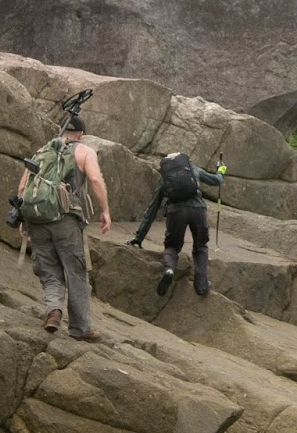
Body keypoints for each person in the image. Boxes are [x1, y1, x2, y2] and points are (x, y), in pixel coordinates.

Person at [18, 114, 111, 342]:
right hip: (66, 219)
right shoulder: (84, 151)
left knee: (49, 271)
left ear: (61, 131)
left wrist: (25, 219)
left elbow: (23, 186)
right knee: (76, 272)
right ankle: (81, 328)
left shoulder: (42, 151)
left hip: (38, 220)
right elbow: (96, 181)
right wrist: (105, 210)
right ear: (80, 134)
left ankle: (53, 311)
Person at [133, 154, 225, 296]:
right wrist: (220, 170)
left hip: (176, 212)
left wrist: (139, 237)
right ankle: (201, 284)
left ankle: (169, 270)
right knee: (200, 246)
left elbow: (152, 210)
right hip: (198, 210)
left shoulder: (165, 179)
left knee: (172, 246)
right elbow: (217, 180)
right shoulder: (194, 170)